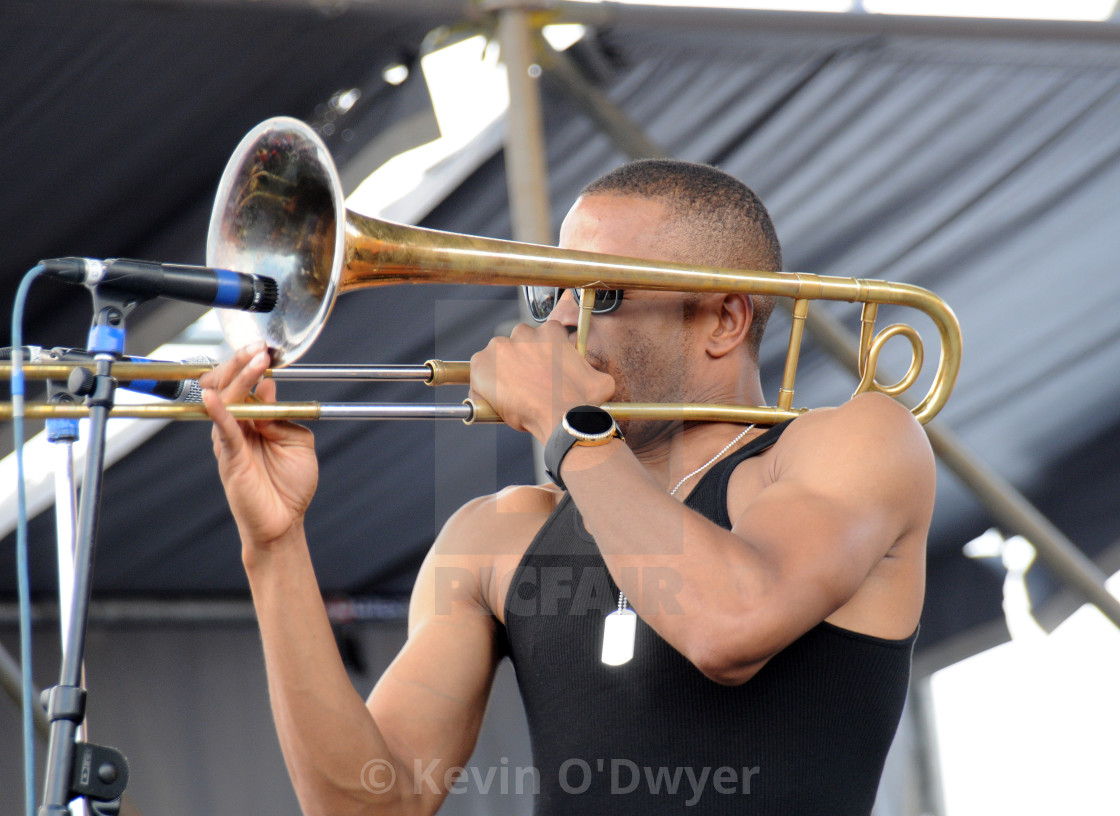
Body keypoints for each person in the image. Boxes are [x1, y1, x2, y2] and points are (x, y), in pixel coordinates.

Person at [201, 159, 935, 816]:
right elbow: (364, 808)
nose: (558, 319)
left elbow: (729, 626)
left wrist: (568, 424)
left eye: (603, 293)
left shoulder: (853, 440)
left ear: (723, 319)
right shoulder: (500, 533)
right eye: (551, 289)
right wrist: (274, 546)